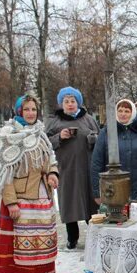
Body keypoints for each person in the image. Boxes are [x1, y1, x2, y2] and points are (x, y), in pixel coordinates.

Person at [0, 92, 59, 273]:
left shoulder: (41, 134)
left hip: (42, 196)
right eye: (26, 109)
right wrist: (11, 202)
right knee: (22, 249)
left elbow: (50, 159)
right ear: (19, 111)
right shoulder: (8, 135)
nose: (30, 113)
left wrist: (53, 173)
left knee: (42, 245)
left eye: (33, 109)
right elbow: (4, 173)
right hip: (21, 199)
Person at [46, 86, 99, 249]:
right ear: (61, 104)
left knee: (91, 202)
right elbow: (46, 143)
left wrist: (92, 138)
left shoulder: (88, 119)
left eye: (73, 101)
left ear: (78, 103)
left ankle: (94, 235)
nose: (70, 104)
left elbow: (100, 138)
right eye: (66, 101)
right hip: (66, 167)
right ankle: (72, 237)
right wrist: (59, 137)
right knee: (70, 201)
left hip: (87, 166)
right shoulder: (55, 121)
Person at [91, 99, 137, 202]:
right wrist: (97, 192)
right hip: (113, 190)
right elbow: (96, 164)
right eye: (120, 110)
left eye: (127, 111)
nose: (123, 114)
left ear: (133, 113)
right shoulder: (106, 133)